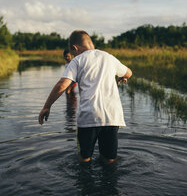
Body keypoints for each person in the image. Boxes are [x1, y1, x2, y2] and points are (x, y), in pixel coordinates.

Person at [38, 30, 132, 164]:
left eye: (72, 53)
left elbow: (63, 84)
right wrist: (121, 77)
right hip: (111, 117)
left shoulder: (77, 60)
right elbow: (129, 73)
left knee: (84, 160)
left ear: (75, 48)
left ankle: (85, 183)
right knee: (109, 162)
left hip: (89, 117)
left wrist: (47, 106)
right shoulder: (109, 57)